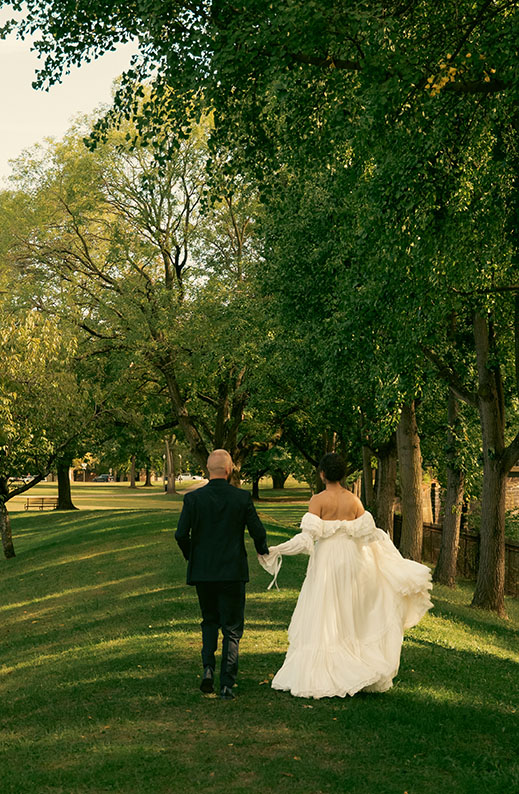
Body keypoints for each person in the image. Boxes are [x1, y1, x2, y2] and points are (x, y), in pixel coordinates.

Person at [258, 453, 433, 699]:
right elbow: (370, 536)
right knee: (348, 610)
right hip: (353, 560)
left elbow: (306, 540)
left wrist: (276, 549)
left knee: (325, 609)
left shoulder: (317, 500)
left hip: (328, 559)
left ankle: (327, 668)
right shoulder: (354, 501)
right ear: (343, 475)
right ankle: (355, 662)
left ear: (322, 474)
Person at [175, 449, 269, 699]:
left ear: (208, 469)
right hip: (232, 571)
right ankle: (227, 683)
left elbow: (180, 535)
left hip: (203, 571)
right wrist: (263, 551)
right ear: (229, 470)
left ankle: (208, 670)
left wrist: (192, 556)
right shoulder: (241, 498)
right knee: (232, 627)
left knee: (209, 621)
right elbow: (257, 532)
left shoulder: (193, 500)